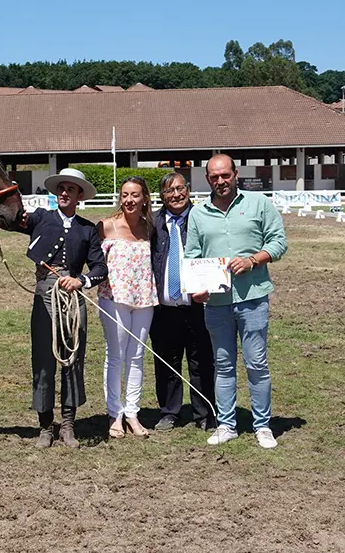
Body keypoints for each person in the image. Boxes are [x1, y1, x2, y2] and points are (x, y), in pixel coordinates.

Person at [185, 154, 287, 449]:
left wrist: (254, 260)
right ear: (208, 180)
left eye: (225, 175)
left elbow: (278, 242)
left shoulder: (259, 204)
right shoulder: (199, 214)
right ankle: (227, 424)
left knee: (256, 363)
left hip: (253, 298)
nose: (221, 181)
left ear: (235, 174)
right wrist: (198, 288)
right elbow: (192, 255)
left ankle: (262, 425)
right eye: (214, 177)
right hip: (216, 303)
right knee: (223, 364)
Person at [13, 168, 107, 449]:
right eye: (61, 188)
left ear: (79, 195)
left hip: (74, 299)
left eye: (71, 189)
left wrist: (81, 280)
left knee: (72, 359)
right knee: (43, 360)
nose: (64, 193)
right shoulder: (41, 218)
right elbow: (12, 219)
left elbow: (100, 268)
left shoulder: (87, 229)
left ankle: (68, 425)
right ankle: (45, 426)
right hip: (45, 296)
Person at [149, 172, 216, 432]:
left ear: (188, 189)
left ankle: (205, 413)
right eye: (169, 191)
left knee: (202, 361)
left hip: (199, 305)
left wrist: (211, 286)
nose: (176, 195)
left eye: (180, 189)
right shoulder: (152, 223)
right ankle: (169, 412)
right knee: (167, 362)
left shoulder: (202, 218)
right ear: (161, 196)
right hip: (163, 308)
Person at [95, 177, 158, 439]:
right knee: (116, 355)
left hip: (144, 298)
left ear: (144, 198)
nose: (129, 200)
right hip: (114, 298)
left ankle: (132, 412)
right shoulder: (106, 226)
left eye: (135, 195)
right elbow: (90, 256)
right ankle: (114, 413)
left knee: (136, 356)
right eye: (125, 195)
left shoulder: (150, 228)